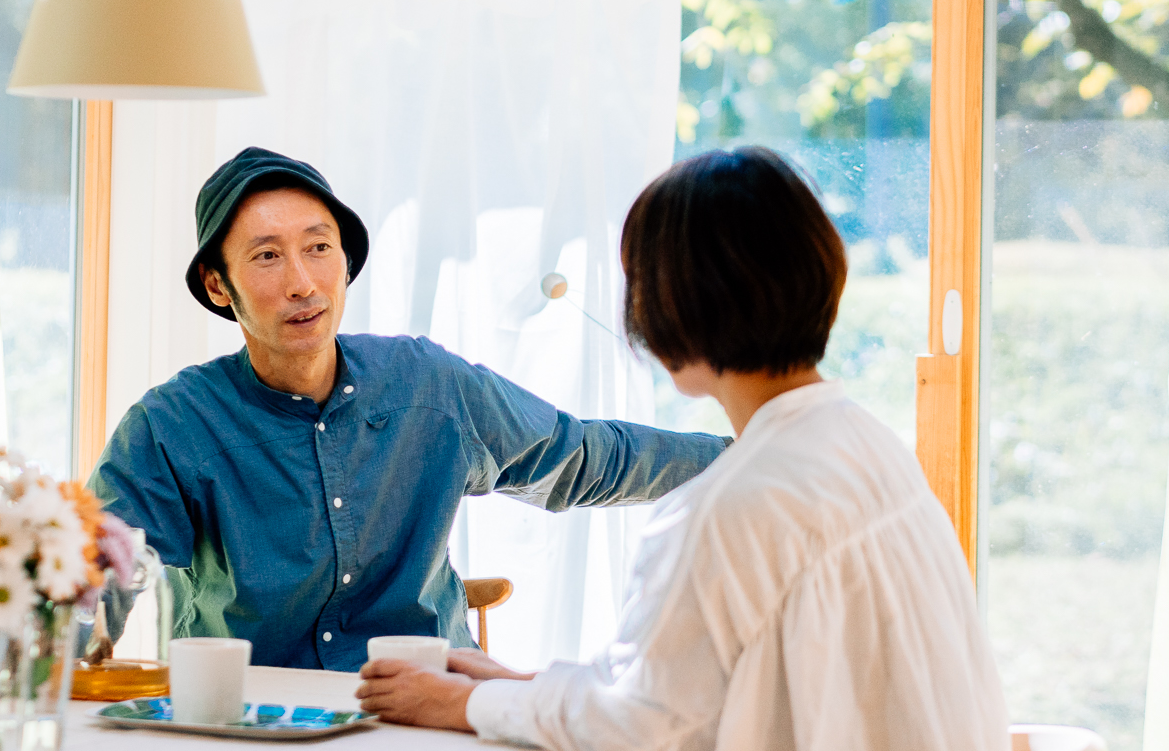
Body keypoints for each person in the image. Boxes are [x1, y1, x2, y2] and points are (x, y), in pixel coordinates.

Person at [357, 147, 1015, 751]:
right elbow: (699, 689)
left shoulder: (733, 504)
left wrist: (470, 703)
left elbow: (633, 738)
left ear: (672, 309)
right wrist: (530, 686)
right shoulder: (866, 446)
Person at [89, 146, 729, 671]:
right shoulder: (172, 426)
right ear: (217, 285)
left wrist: (742, 456)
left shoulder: (428, 385)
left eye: (318, 247)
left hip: (431, 709)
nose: (302, 283)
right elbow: (91, 567)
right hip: (257, 726)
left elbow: (584, 458)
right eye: (266, 256)